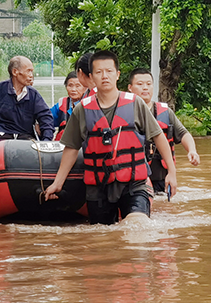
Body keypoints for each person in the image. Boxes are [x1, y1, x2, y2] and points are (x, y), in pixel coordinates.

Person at [43, 50, 178, 224]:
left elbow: (159, 137)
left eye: (109, 71)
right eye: (99, 72)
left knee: (138, 226)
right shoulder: (82, 109)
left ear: (117, 75)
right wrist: (57, 183)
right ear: (91, 77)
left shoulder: (135, 103)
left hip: (134, 184)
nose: (104, 76)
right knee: (102, 240)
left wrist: (172, 173)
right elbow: (72, 147)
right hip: (98, 187)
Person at [127, 67, 200, 194]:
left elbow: (183, 134)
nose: (145, 87)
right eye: (140, 84)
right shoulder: (123, 113)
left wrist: (192, 150)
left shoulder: (165, 112)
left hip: (161, 179)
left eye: (149, 84)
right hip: (134, 180)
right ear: (130, 88)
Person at [0, 56, 54, 140]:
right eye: (28, 71)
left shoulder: (33, 95)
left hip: (26, 139)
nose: (31, 76)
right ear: (15, 72)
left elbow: (46, 117)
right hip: (0, 139)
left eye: (32, 72)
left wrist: (46, 140)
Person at [51, 72, 85, 139]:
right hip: (63, 144)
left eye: (78, 86)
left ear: (85, 88)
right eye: (70, 86)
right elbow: (47, 117)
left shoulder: (90, 104)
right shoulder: (61, 104)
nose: (73, 89)